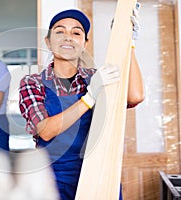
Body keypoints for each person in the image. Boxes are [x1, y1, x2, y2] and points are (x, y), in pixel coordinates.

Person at [18, 7, 144, 200]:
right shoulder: (32, 83)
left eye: (76, 33)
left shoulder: (95, 78)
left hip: (97, 176)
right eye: (59, 32)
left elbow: (135, 96)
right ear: (48, 42)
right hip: (52, 181)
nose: (68, 37)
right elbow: (45, 130)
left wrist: (129, 43)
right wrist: (89, 97)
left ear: (85, 43)